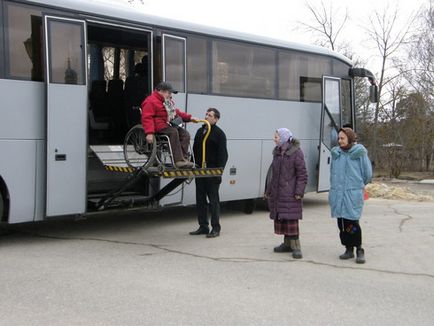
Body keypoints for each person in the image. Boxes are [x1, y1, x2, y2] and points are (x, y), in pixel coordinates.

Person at [329, 127, 372, 264]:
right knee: (341, 223)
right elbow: (332, 173)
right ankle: (348, 249)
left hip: (352, 193)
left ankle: (359, 249)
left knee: (352, 223)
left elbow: (367, 174)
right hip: (338, 193)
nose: (339, 140)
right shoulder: (336, 153)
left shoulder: (359, 153)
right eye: (339, 138)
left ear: (350, 138)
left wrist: (357, 185)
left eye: (342, 138)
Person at [265, 128, 308, 259]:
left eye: (276, 136)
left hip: (291, 193)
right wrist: (269, 190)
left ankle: (296, 247)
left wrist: (299, 192)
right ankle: (287, 244)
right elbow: (274, 175)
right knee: (283, 218)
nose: (274, 138)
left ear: (284, 138)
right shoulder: (277, 153)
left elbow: (302, 174)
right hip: (279, 193)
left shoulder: (296, 153)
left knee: (291, 220)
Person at [189, 108, 228, 238]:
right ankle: (203, 226)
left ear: (216, 119)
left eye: (210, 115)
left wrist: (219, 171)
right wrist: (191, 164)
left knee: (213, 200)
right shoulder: (200, 131)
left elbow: (223, 154)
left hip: (212, 172)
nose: (207, 116)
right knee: (200, 200)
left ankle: (216, 228)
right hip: (200, 171)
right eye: (206, 114)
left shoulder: (219, 134)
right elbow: (195, 150)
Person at [141, 82, 195, 168]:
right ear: (161, 91)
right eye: (169, 93)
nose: (170, 95)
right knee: (173, 132)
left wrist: (190, 118)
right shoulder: (150, 101)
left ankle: (183, 159)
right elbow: (147, 118)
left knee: (185, 134)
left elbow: (176, 113)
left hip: (167, 125)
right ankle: (178, 160)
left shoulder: (167, 102)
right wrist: (149, 133)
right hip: (157, 126)